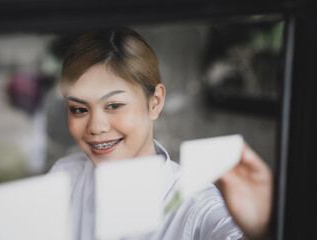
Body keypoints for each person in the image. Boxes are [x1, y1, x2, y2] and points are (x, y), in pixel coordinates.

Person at [49, 26, 273, 240]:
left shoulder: (197, 205)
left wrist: (258, 231)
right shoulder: (66, 176)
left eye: (114, 105)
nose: (96, 127)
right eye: (79, 109)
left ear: (155, 103)